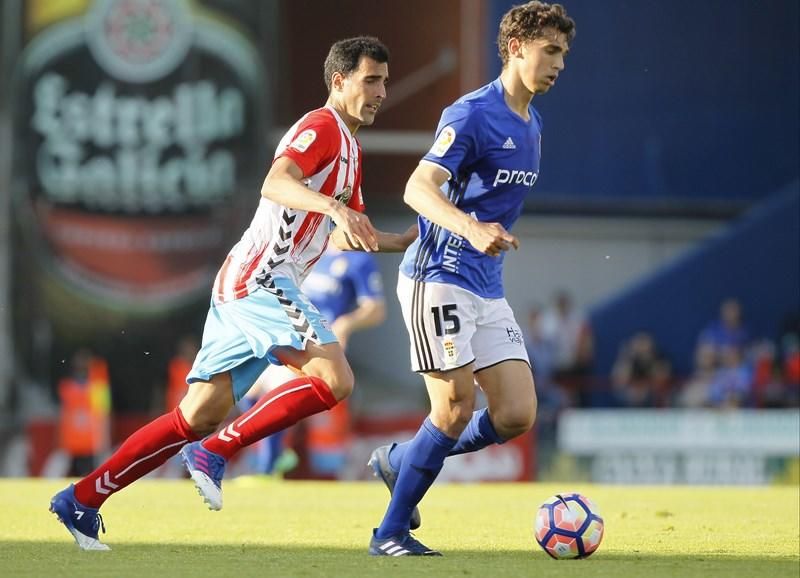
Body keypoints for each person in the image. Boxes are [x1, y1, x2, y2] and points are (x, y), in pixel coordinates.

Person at [50, 36, 416, 551]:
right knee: (334, 378)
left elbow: (345, 234)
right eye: (371, 79)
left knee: (193, 415)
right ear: (339, 80)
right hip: (261, 278)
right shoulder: (322, 128)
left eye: (384, 80)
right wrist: (334, 209)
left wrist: (405, 241)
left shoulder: (351, 149)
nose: (381, 90)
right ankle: (215, 452)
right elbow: (276, 182)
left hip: (244, 283)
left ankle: (83, 499)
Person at [366, 1, 575, 557]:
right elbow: (417, 188)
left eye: (563, 53)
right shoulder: (471, 114)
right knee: (453, 409)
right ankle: (389, 533)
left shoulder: (535, 121)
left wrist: (488, 238)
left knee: (515, 415)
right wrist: (469, 227)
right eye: (549, 51)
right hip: (438, 276)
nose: (558, 63)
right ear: (515, 49)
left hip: (486, 283)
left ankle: (400, 459)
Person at [247, 245, 386, 477]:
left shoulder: (358, 260)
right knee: (251, 395)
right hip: (287, 335)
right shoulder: (308, 251)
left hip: (318, 343)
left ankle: (268, 468)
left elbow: (376, 309)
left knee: (273, 395)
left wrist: (346, 324)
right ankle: (275, 458)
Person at [57, 349, 111, 477]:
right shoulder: (68, 387)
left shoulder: (98, 388)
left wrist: (103, 442)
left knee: (88, 476)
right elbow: (63, 416)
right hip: (74, 443)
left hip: (91, 442)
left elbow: (103, 415)